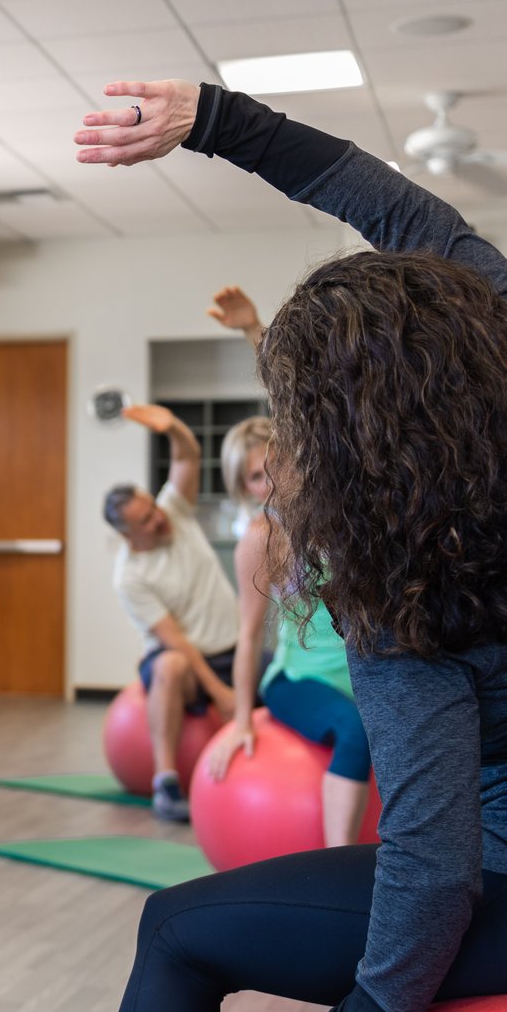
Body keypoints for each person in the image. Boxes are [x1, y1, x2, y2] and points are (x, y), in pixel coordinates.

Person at [75, 79, 507, 1012]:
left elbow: (434, 868)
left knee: (177, 934)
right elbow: (389, 203)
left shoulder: (398, 580)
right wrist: (213, 117)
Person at [199, 295, 370, 848]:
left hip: (364, 672)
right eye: (255, 476)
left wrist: (255, 329)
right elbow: (250, 636)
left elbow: (298, 400)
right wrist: (240, 719)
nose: (270, 479)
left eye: (278, 462)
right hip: (298, 681)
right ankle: (339, 864)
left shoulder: (335, 509)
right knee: (355, 733)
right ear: (243, 487)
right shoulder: (261, 539)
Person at [104, 406, 241, 821]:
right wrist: (221, 694)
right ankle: (165, 783)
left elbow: (187, 456)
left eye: (153, 507)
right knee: (170, 663)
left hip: (233, 651)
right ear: (128, 534)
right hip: (184, 664)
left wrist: (173, 428)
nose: (159, 518)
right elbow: (176, 640)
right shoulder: (129, 577)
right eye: (146, 519)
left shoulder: (174, 511)